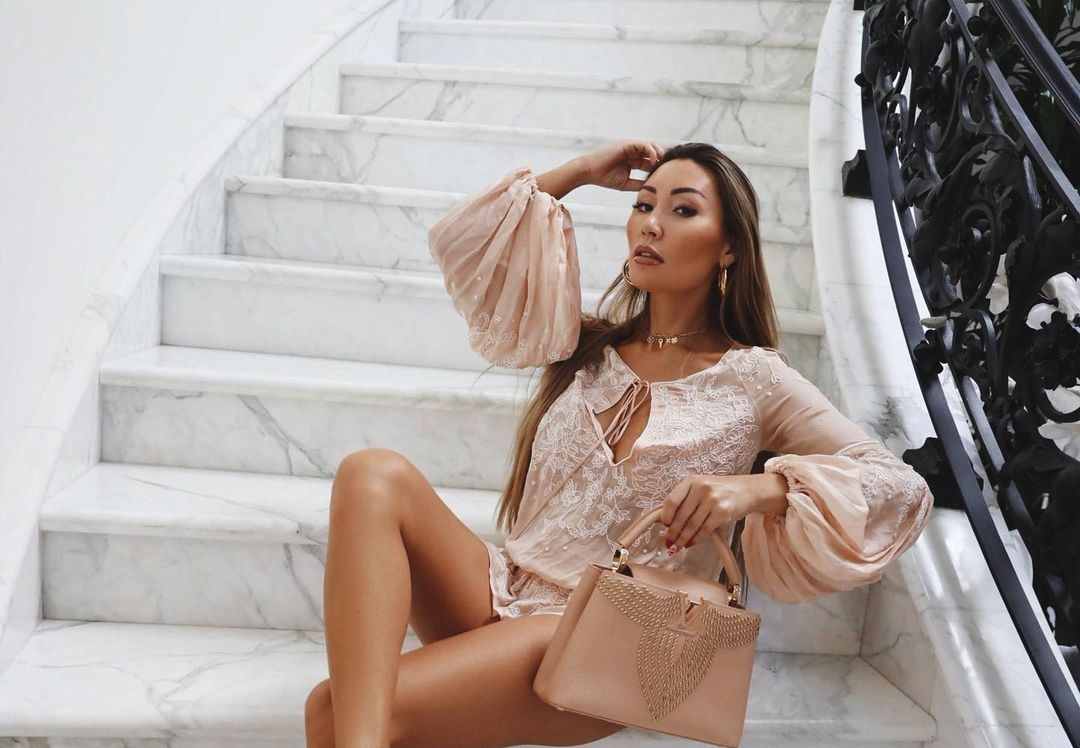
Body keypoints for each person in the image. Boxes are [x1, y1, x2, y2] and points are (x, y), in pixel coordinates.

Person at [303, 141, 935, 748]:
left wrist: (759, 489)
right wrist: (581, 171)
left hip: (604, 635)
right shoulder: (583, 346)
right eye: (643, 205)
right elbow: (466, 240)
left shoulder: (755, 379)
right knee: (372, 473)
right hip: (500, 587)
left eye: (682, 210)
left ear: (729, 249)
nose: (651, 224)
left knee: (334, 713)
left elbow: (900, 487)